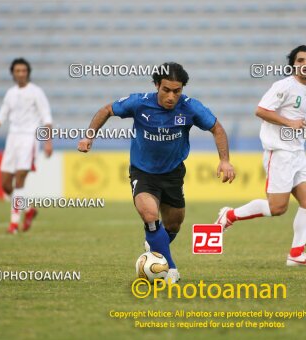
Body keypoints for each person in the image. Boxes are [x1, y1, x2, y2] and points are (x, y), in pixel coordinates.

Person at [77, 62, 235, 283]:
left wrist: (225, 161)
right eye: (166, 90)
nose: (171, 96)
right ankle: (170, 269)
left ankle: (154, 245)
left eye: (177, 91)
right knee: (150, 217)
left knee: (174, 224)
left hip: (173, 174)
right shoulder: (139, 103)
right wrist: (88, 136)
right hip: (143, 172)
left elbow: (216, 128)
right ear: (156, 85)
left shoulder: (191, 107)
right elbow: (106, 110)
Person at [215, 45, 306, 266]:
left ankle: (296, 255)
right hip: (279, 152)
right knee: (277, 208)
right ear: (293, 64)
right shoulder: (284, 86)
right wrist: (289, 122)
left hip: (298, 153)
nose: (305, 64)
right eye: (300, 61)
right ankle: (229, 216)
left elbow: (301, 123)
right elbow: (261, 110)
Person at [0, 58, 53, 234]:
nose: (21, 73)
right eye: (17, 71)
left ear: (28, 72)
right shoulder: (10, 93)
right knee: (5, 185)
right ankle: (28, 209)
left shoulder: (36, 92)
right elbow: (0, 117)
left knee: (19, 181)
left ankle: (14, 224)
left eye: (24, 70)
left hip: (29, 139)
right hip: (12, 140)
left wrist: (48, 142)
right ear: (13, 73)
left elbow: (47, 118)